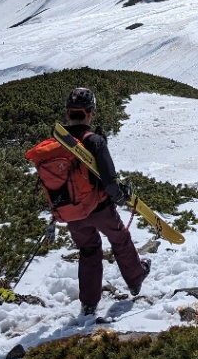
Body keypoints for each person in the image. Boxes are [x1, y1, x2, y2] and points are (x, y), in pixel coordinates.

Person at [60, 86, 151, 315]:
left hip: (73, 211)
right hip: (99, 207)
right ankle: (135, 278)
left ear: (68, 113)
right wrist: (119, 195)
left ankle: (89, 303)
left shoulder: (58, 143)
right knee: (119, 238)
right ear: (90, 113)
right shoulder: (95, 141)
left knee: (89, 250)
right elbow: (110, 181)